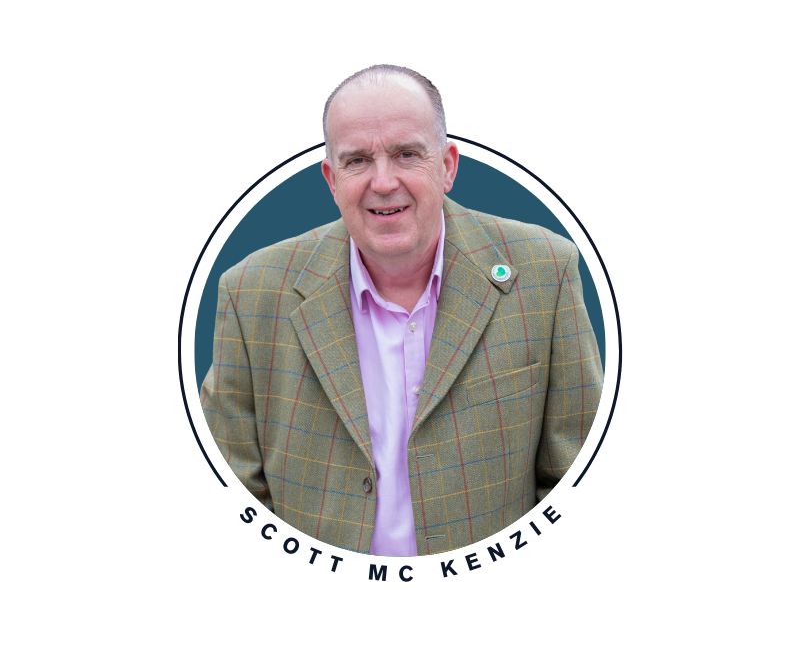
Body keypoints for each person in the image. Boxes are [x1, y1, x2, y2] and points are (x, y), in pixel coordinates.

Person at [201, 64, 603, 557]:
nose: (383, 181)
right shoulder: (251, 294)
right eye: (357, 161)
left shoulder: (545, 272)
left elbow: (572, 469)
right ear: (331, 179)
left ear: (448, 165)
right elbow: (234, 475)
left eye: (406, 154)